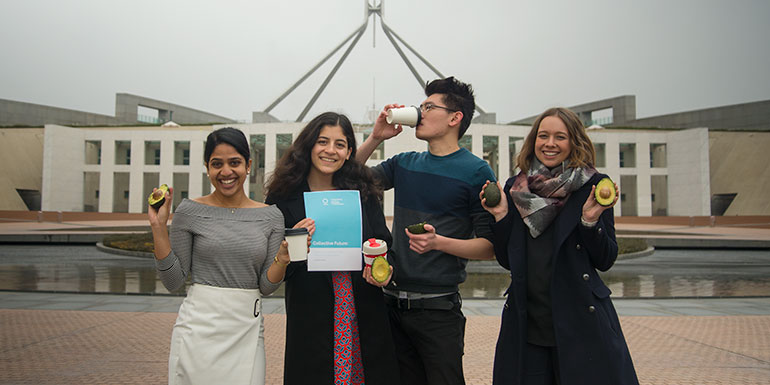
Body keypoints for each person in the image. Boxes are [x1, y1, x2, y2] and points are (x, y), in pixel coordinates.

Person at [481, 107, 639, 385]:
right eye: (543, 135)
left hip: (579, 321)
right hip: (528, 324)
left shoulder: (594, 186)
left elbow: (606, 259)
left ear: (574, 142)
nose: (550, 143)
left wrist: (590, 221)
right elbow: (507, 259)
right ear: (533, 141)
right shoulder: (516, 188)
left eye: (560, 137)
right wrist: (501, 217)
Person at [356, 76, 496, 385]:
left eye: (429, 106)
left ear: (454, 118)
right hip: (390, 306)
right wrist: (375, 137)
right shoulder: (404, 163)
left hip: (439, 313)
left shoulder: (477, 172)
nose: (419, 113)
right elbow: (348, 179)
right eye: (420, 106)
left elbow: (490, 247)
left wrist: (439, 243)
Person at [264, 112, 400, 385]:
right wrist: (291, 249)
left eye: (340, 144)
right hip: (311, 311)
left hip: (362, 308)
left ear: (349, 151)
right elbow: (273, 268)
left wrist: (382, 270)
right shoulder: (283, 199)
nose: (330, 150)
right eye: (322, 141)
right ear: (309, 146)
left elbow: (387, 248)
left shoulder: (363, 193)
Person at [148, 127, 289, 385]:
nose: (226, 172)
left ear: (248, 165)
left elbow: (267, 287)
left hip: (246, 329)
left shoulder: (271, 216)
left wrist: (282, 258)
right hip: (197, 330)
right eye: (217, 164)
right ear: (207, 168)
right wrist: (159, 227)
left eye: (234, 162)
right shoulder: (189, 211)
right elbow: (173, 281)